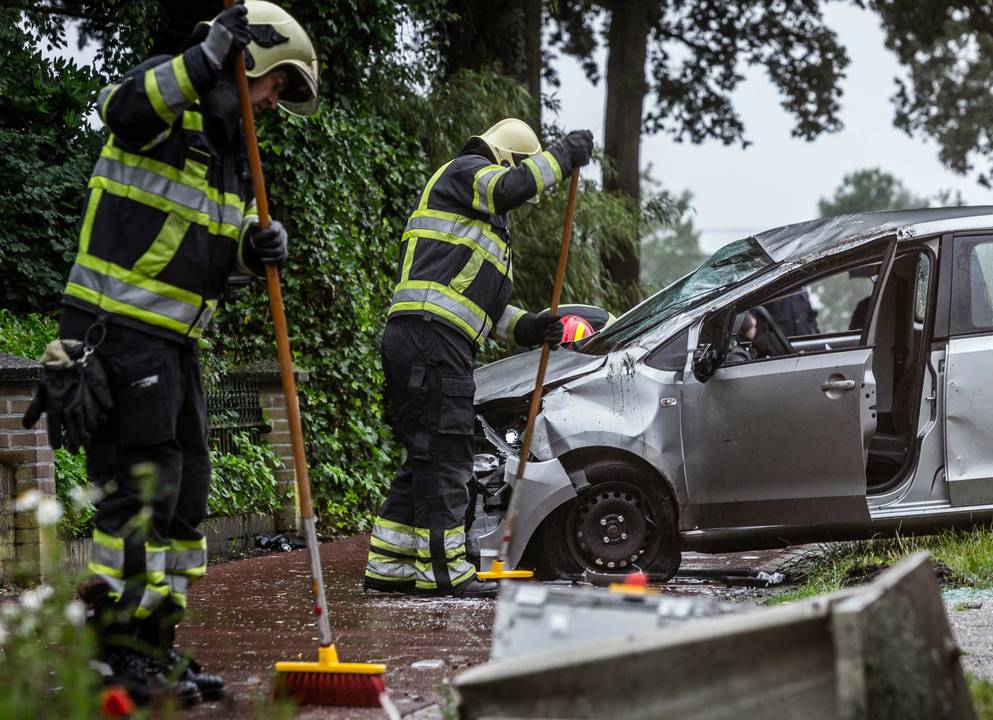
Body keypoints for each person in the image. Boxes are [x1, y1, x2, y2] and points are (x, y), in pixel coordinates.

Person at [24, 0, 319, 706]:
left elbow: (209, 255)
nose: (274, 100)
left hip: (173, 343)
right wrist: (209, 50)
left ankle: (154, 646)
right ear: (250, 60)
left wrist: (252, 249)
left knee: (183, 500)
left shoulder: (225, 152)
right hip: (118, 335)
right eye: (275, 84)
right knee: (139, 499)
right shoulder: (164, 97)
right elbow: (123, 108)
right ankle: (115, 652)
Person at [364, 119, 593, 599]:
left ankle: (390, 564)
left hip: (425, 338)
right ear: (509, 157)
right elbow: (512, 187)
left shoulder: (478, 220)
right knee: (448, 454)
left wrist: (531, 327)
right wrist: (565, 155)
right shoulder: (467, 172)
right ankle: (444, 572)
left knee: (427, 454)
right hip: (432, 339)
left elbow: (487, 309)